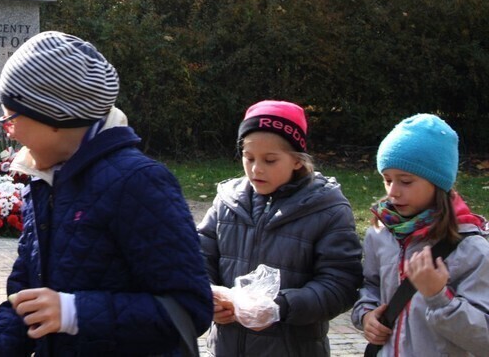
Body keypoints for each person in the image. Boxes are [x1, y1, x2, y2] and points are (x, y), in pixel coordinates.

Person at [0, 31, 212, 356]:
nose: (8, 132)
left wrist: (74, 312)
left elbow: (189, 308)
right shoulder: (43, 181)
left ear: (54, 117)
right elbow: (26, 301)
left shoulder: (139, 182)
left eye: (10, 118)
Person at [197, 100, 363, 356]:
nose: (256, 169)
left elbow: (340, 284)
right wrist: (207, 296)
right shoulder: (227, 202)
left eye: (270, 160)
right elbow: (198, 258)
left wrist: (280, 307)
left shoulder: (328, 209)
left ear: (298, 161)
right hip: (226, 348)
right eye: (248, 157)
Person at [351, 113, 489, 356]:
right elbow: (369, 286)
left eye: (406, 181)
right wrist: (366, 314)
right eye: (387, 179)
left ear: (438, 183)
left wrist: (439, 297)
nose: (393, 191)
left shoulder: (471, 248)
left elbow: (483, 338)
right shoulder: (380, 233)